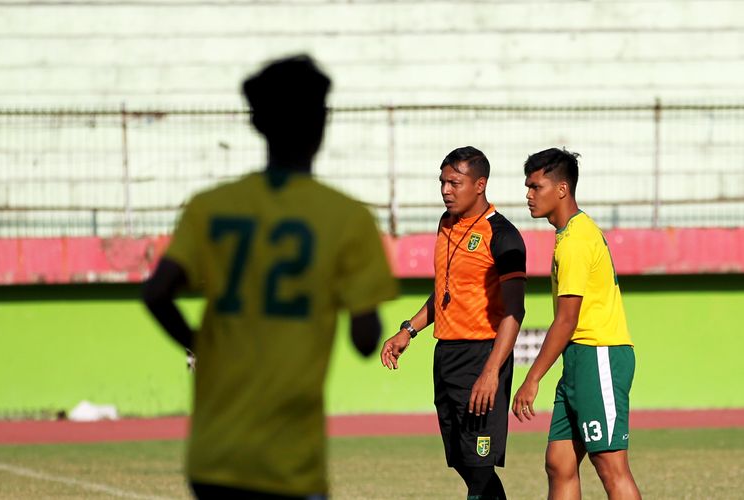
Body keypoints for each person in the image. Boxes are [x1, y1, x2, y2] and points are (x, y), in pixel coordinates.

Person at [142, 55, 397, 499]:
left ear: (258, 123)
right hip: (290, 461)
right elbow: (363, 338)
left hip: (215, 454)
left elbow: (156, 292)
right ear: (322, 122)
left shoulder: (210, 207)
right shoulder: (347, 218)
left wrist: (199, 341)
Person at [381, 146, 526, 500]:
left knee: (479, 466)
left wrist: (492, 371)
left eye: (454, 182)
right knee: (464, 461)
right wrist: (409, 330)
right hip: (445, 355)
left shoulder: (503, 235)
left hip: (482, 357)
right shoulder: (445, 225)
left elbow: (515, 310)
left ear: (480, 184)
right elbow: (444, 294)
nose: (446, 190)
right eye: (442, 181)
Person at [512, 148, 641, 499]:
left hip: (598, 354)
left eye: (536, 187)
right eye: (527, 187)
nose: (528, 195)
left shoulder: (576, 241)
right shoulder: (569, 234)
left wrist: (532, 377)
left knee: (610, 465)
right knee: (559, 462)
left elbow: (567, 319)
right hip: (580, 359)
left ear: (562, 189)